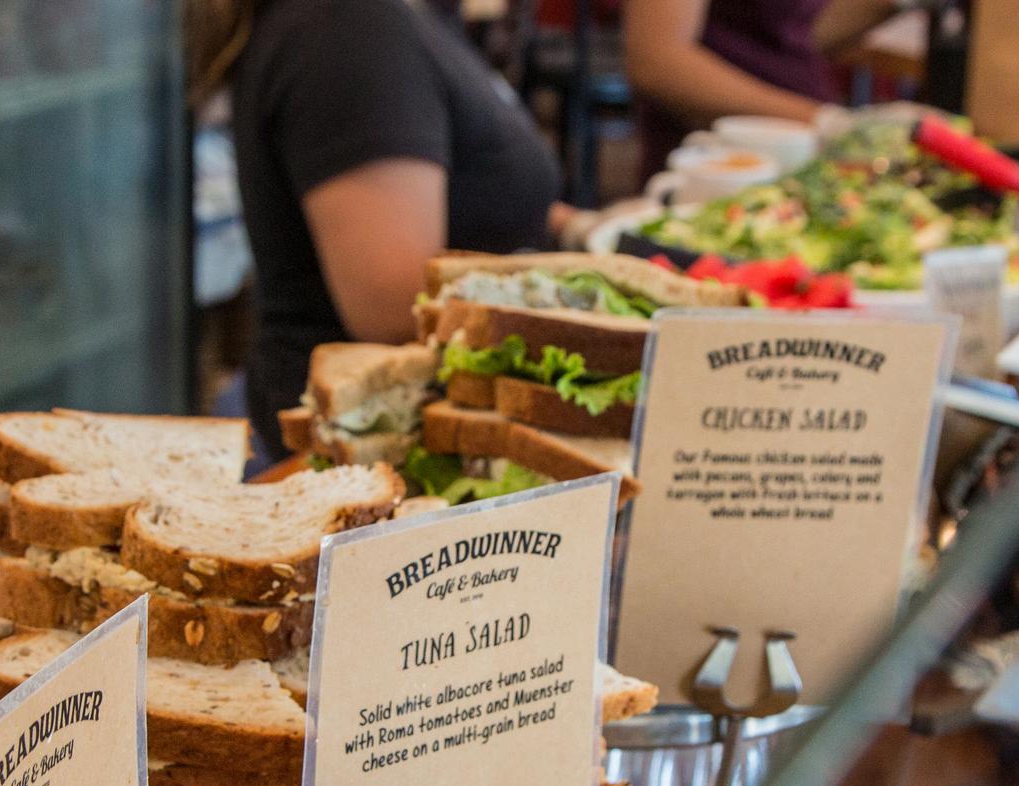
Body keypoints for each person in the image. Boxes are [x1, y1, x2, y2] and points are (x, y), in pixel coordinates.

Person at [196, 0, 577, 458]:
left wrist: (575, 227)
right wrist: (590, 295)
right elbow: (398, 308)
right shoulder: (345, 28)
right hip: (370, 451)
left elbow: (471, 192)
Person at [623, 0, 905, 178]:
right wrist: (825, 121)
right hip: (717, 171)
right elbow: (656, 60)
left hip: (805, 164)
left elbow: (796, 32)